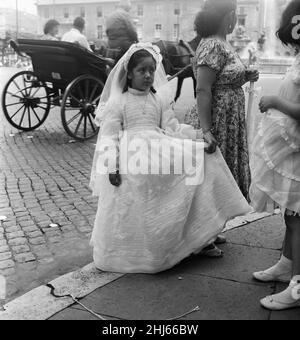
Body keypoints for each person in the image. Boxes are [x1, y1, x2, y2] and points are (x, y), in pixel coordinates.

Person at [89, 43, 251, 274]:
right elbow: (109, 136)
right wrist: (112, 166)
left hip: (159, 146)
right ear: (129, 74)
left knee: (200, 160)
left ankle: (201, 233)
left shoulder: (158, 100)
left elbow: (171, 128)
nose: (147, 75)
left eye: (151, 70)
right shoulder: (119, 102)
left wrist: (196, 137)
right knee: (142, 185)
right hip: (131, 154)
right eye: (141, 70)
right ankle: (149, 248)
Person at [250, 0, 300, 311]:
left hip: (297, 144)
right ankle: (287, 264)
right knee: (291, 213)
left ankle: (298, 285)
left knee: (298, 218)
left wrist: (274, 101)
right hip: (294, 145)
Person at [184, 0, 259, 201]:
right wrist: (206, 131)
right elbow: (202, 89)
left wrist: (246, 76)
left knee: (217, 178)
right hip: (218, 121)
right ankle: (205, 231)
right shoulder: (213, 45)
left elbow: (223, 78)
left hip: (228, 121)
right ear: (230, 15)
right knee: (211, 178)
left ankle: (213, 230)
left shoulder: (221, 42)